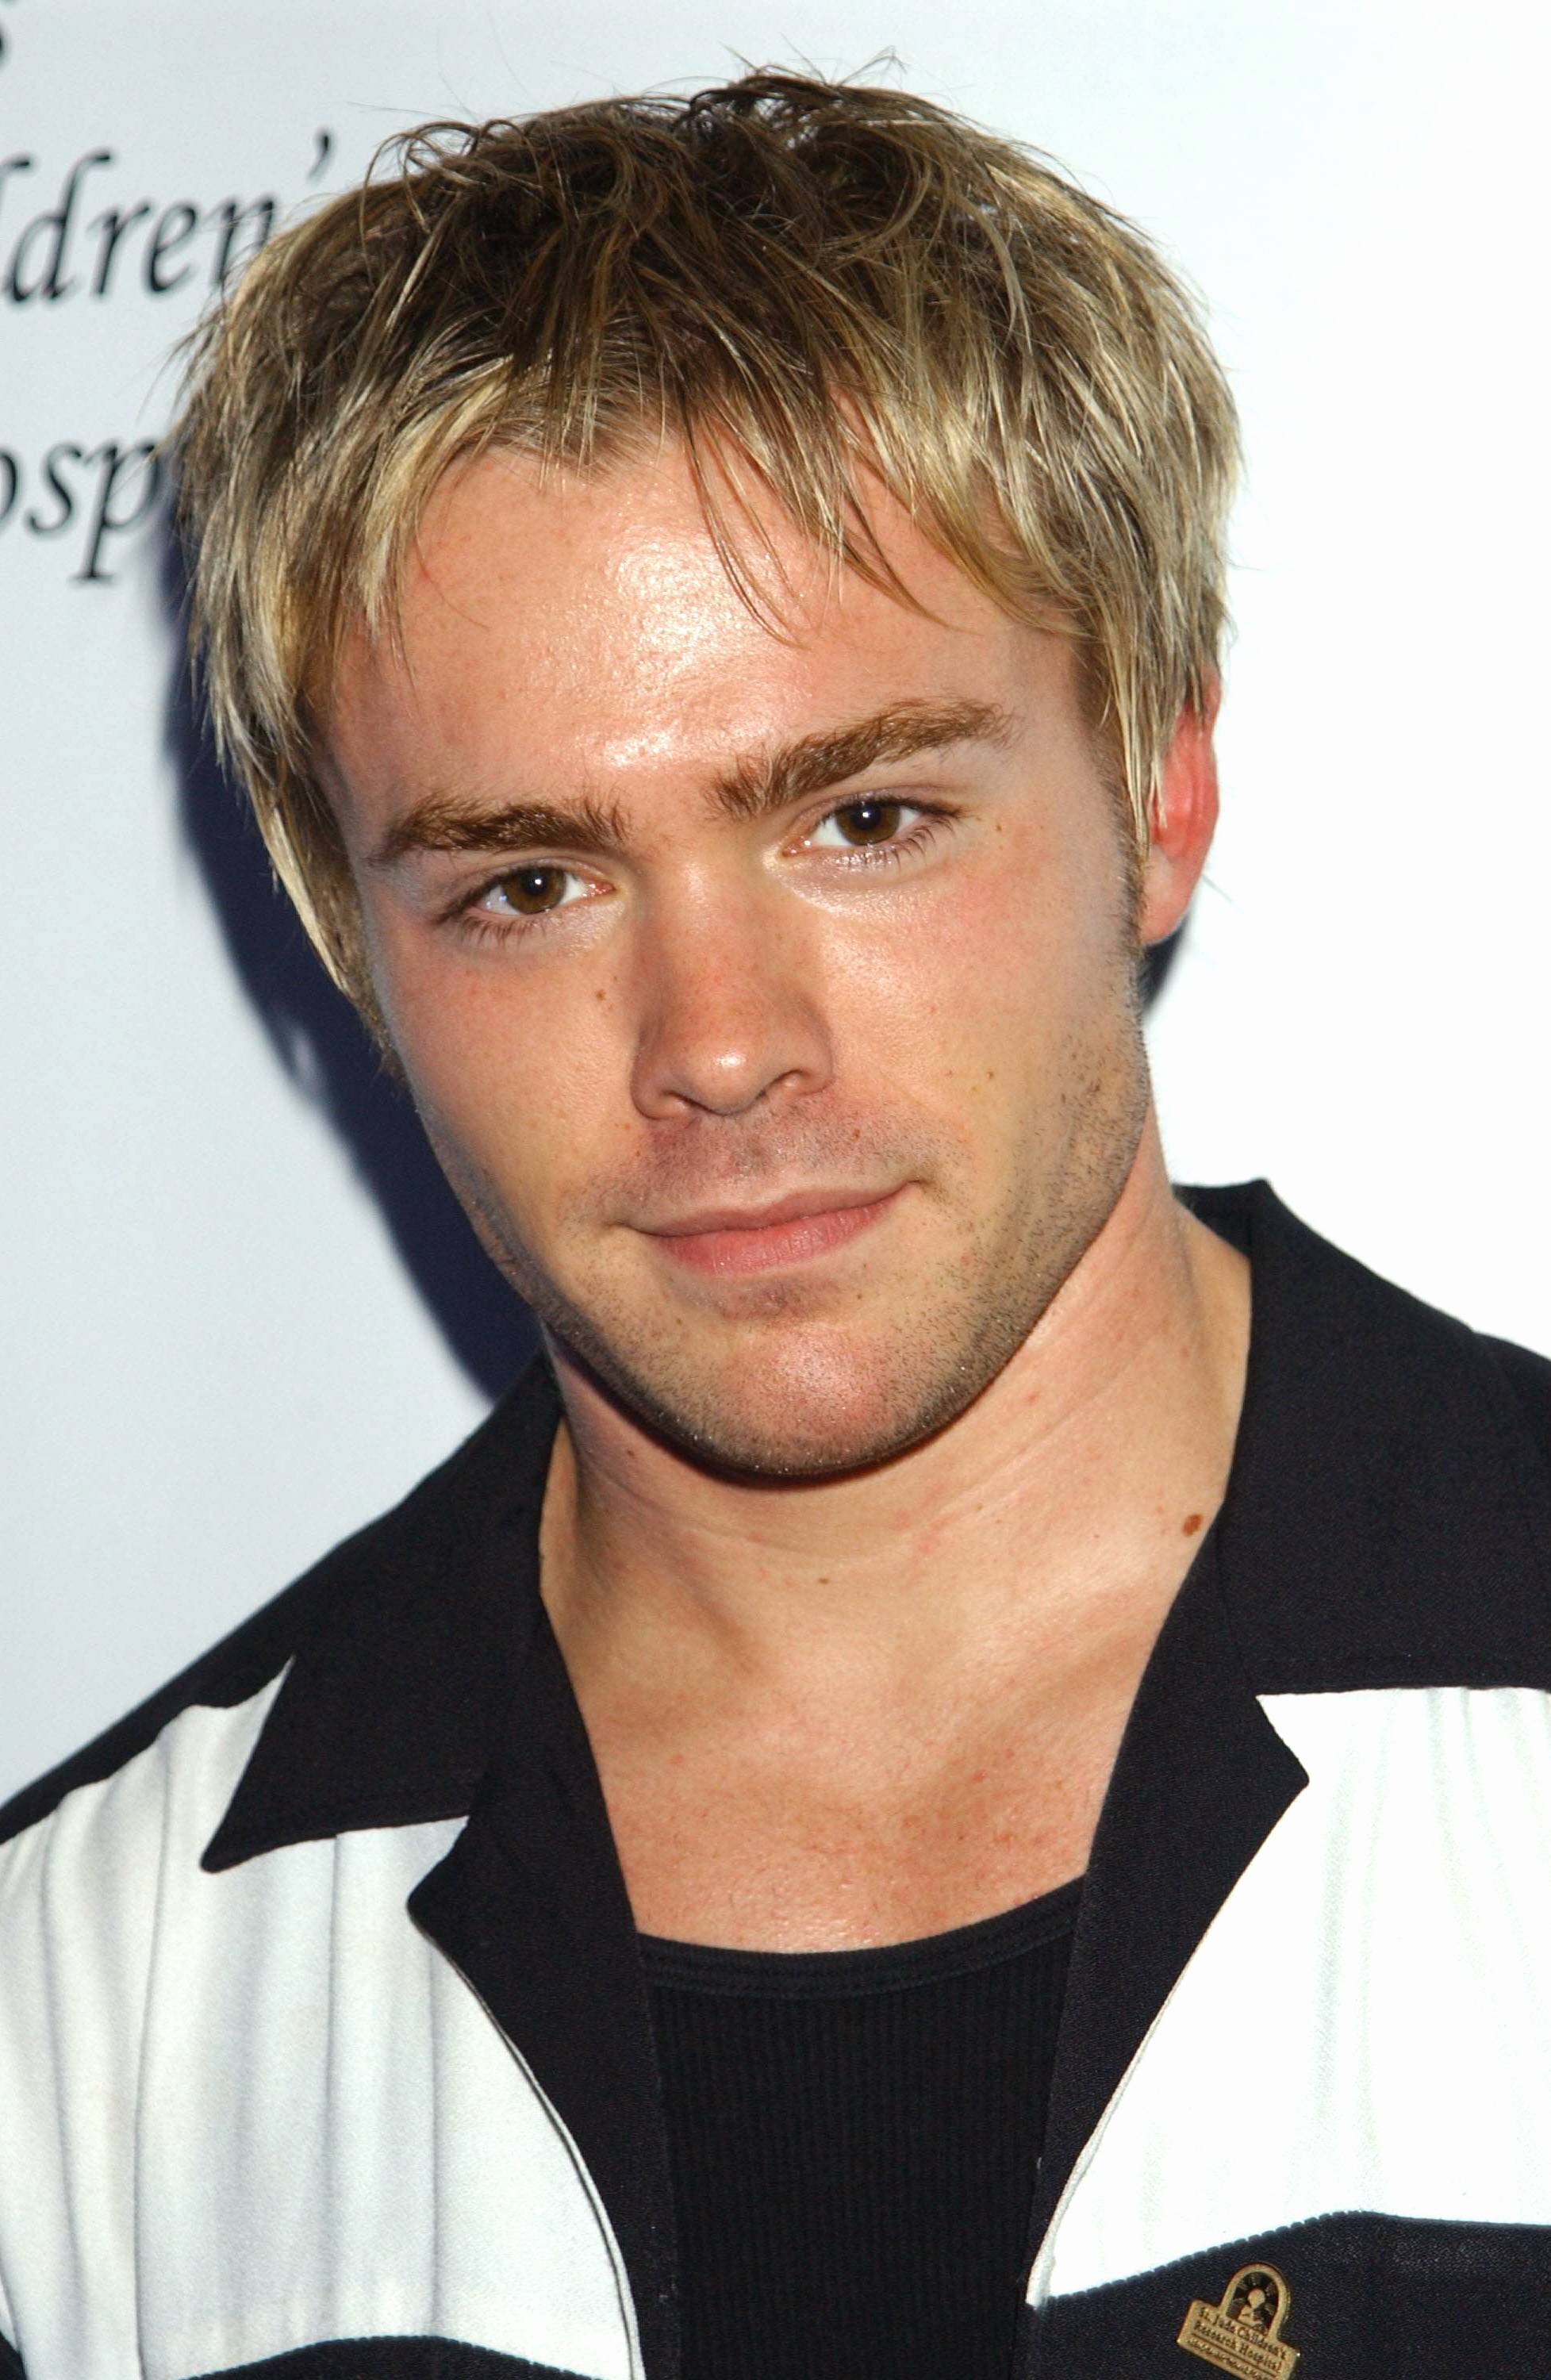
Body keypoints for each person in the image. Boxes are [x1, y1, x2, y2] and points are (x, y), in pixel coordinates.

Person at [2, 67, 1548, 2380]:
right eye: (530, 883)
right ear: (351, 942)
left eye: (864, 820)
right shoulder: (73, 2037)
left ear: (1158, 787)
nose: (717, 1047)